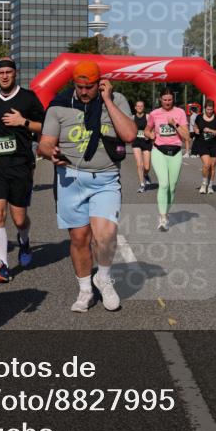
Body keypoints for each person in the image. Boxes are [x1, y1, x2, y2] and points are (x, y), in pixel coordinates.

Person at [38, 60, 136, 313]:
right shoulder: (59, 105)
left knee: (105, 235)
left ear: (100, 83)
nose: (83, 92)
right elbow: (44, 144)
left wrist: (109, 100)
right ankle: (85, 291)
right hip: (70, 179)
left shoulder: (117, 100)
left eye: (89, 87)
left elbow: (129, 135)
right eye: (79, 86)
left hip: (105, 178)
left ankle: (103, 276)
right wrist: (52, 153)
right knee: (79, 238)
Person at [0, 57, 45, 283]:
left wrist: (22, 122)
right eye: (1, 72)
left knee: (20, 218)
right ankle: (3, 265)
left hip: (21, 164)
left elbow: (44, 125)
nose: (4, 76)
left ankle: (24, 241)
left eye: (8, 72)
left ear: (15, 74)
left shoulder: (28, 98)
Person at [145, 89, 190, 231]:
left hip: (175, 152)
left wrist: (175, 125)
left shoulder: (180, 113)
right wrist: (150, 135)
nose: (167, 102)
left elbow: (187, 136)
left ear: (173, 99)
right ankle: (163, 217)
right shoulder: (154, 114)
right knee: (163, 184)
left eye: (170, 99)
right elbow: (147, 129)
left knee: (172, 186)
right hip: (159, 151)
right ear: (160, 99)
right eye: (165, 99)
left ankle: (166, 211)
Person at [191, 100, 216, 194]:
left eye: (211, 109)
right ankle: (204, 184)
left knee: (213, 166)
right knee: (206, 164)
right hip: (202, 144)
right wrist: (196, 130)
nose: (209, 111)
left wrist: (211, 130)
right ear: (205, 109)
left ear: (213, 109)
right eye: (208, 109)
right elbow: (195, 126)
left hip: (214, 145)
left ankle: (210, 186)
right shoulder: (199, 117)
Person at [131, 99, 153, 193]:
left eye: (141, 106)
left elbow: (153, 127)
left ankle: (146, 174)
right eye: (138, 106)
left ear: (143, 107)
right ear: (135, 108)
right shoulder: (132, 118)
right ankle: (142, 184)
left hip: (146, 142)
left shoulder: (148, 117)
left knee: (147, 167)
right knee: (139, 164)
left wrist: (150, 135)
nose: (140, 107)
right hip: (136, 142)